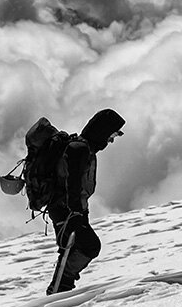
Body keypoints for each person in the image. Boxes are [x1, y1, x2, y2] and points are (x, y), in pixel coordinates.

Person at [47, 108, 125, 294]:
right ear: (102, 131)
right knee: (89, 246)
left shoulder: (84, 149)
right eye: (111, 134)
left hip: (71, 210)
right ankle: (59, 288)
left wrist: (81, 212)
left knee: (75, 247)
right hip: (65, 210)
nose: (111, 140)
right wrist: (74, 212)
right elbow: (72, 183)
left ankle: (61, 288)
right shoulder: (79, 150)